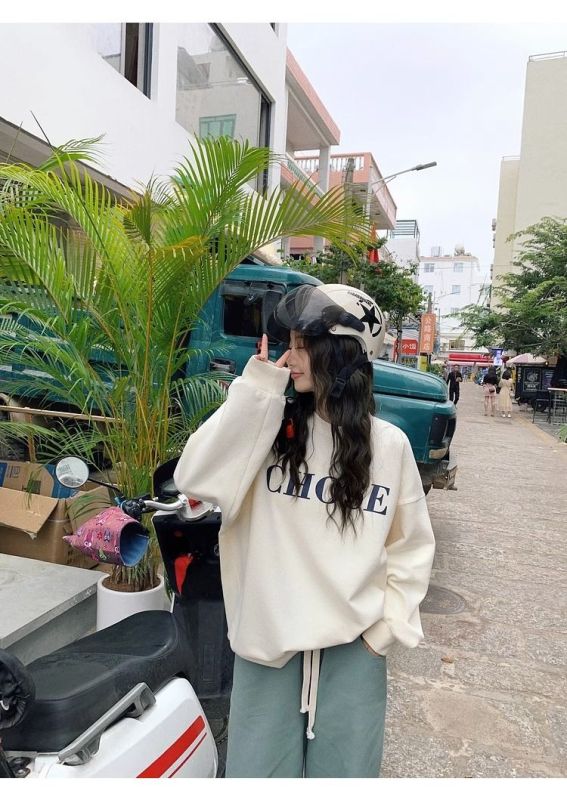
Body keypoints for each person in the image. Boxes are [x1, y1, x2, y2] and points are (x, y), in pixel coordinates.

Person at [173, 284, 436, 779]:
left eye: (302, 345)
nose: (289, 357)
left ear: (341, 352)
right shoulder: (269, 430)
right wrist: (256, 392)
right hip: (267, 647)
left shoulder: (389, 446)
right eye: (288, 343)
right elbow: (196, 478)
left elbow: (411, 547)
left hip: (353, 653)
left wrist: (383, 634)